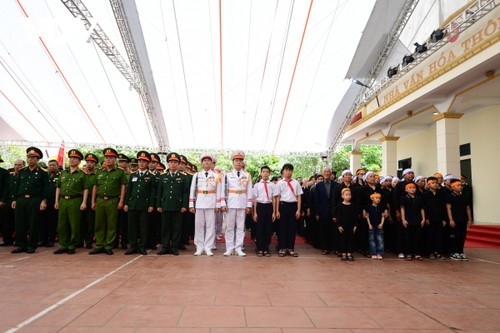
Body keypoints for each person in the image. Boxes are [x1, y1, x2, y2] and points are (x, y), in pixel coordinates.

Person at [90, 147, 127, 255]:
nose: (108, 160)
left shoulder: (119, 172)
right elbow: (95, 187)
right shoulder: (99, 172)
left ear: (115, 160)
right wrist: (93, 201)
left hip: (113, 200)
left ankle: (108, 246)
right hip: (100, 200)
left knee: (111, 224)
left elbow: (123, 186)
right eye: (106, 158)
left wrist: (121, 201)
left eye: (111, 158)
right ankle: (99, 245)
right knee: (99, 224)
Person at [11, 147, 48, 254]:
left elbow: (45, 188)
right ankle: (21, 244)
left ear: (38, 159)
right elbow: (16, 186)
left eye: (33, 157)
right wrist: (14, 199)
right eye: (29, 157)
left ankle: (32, 245)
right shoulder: (22, 171)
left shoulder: (42, 173)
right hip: (21, 199)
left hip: (35, 200)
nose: (30, 159)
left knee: (33, 223)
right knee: (20, 223)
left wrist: (43, 201)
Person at [53, 149, 88, 255]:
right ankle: (63, 245)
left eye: (75, 159)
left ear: (79, 161)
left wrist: (84, 202)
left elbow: (86, 189)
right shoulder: (63, 173)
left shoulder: (82, 174)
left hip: (75, 200)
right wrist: (56, 201)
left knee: (74, 223)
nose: (72, 160)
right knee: (62, 224)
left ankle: (72, 245)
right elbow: (58, 187)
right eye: (71, 158)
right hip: (63, 200)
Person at [156, 152, 189, 256]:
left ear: (178, 164)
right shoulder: (163, 176)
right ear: (168, 164)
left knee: (176, 227)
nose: (173, 164)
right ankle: (165, 246)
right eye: (171, 162)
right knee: (165, 227)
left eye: (175, 162)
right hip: (165, 205)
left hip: (177, 206)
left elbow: (185, 192)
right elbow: (159, 192)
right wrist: (159, 205)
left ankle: (174, 246)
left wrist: (184, 205)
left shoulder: (183, 177)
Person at [221, 150, 253, 257]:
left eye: (240, 160)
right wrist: (223, 203)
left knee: (240, 227)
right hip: (230, 202)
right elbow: (223, 190)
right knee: (230, 227)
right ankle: (229, 248)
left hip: (242, 202)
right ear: (233, 162)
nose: (238, 162)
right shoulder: (227, 175)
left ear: (243, 162)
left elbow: (249, 191)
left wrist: (249, 205)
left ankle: (239, 247)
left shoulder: (247, 175)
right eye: (236, 160)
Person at [189, 153, 221, 256]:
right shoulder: (197, 175)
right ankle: (199, 247)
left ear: (212, 163)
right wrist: (191, 204)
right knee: (199, 225)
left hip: (211, 203)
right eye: (204, 160)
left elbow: (219, 191)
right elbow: (192, 190)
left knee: (210, 226)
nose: (206, 162)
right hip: (199, 202)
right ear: (201, 163)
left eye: (208, 160)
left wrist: (218, 205)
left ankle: (208, 247)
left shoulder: (216, 176)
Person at [124, 151, 156, 256]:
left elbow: (152, 192)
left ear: (148, 163)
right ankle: (133, 246)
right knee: (131, 227)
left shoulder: (151, 176)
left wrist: (151, 205)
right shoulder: (133, 175)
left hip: (144, 205)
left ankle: (142, 246)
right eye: (140, 161)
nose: (141, 163)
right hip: (133, 204)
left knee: (143, 227)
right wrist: (126, 203)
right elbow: (129, 191)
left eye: (144, 162)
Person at [276, 163, 303, 257]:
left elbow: (299, 196)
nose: (288, 172)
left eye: (290, 170)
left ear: (292, 171)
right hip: (283, 206)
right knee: (282, 228)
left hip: (293, 206)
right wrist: (277, 210)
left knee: (292, 228)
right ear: (283, 171)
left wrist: (298, 210)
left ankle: (291, 248)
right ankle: (282, 248)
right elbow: (278, 197)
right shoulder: (279, 183)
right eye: (286, 170)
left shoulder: (296, 183)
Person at [252, 165, 277, 257]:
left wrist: (274, 212)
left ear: (269, 173)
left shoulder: (273, 185)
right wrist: (254, 212)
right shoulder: (257, 185)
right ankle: (259, 247)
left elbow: (274, 199)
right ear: (261, 173)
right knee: (260, 228)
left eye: (267, 172)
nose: (265, 173)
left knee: (268, 228)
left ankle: (266, 248)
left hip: (269, 206)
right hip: (260, 207)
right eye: (264, 172)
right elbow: (255, 199)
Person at [447, 179, 473, 261]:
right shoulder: (450, 196)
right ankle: (454, 252)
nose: (460, 187)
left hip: (463, 219)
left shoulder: (463, 197)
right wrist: (451, 219)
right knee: (455, 236)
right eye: (458, 185)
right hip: (455, 219)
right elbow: (448, 208)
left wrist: (469, 219)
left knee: (462, 236)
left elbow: (468, 208)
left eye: (461, 185)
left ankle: (461, 251)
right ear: (453, 187)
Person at [400, 183, 425, 260]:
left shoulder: (419, 198)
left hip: (418, 220)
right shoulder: (403, 198)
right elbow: (402, 209)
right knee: (408, 237)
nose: (412, 189)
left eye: (414, 187)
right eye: (410, 188)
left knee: (417, 237)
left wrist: (423, 219)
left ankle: (417, 253)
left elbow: (422, 209)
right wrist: (403, 219)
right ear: (406, 189)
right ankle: (408, 253)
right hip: (408, 220)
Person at [423, 176, 446, 259]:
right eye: (433, 183)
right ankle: (430, 252)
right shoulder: (425, 195)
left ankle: (438, 251)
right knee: (430, 235)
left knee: (439, 235)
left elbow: (443, 207)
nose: (435, 184)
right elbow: (424, 207)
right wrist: (426, 218)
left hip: (439, 218)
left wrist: (443, 218)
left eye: (436, 183)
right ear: (428, 185)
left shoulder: (441, 194)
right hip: (430, 218)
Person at [314, 167, 335, 255]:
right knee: (323, 231)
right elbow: (316, 200)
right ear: (323, 173)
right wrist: (317, 213)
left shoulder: (336, 184)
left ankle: (332, 247)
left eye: (328, 171)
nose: (326, 173)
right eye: (325, 172)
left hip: (332, 211)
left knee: (332, 230)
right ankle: (324, 248)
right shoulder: (318, 185)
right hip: (322, 211)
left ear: (330, 173)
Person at [40, 159, 60, 247]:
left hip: (54, 201)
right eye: (50, 165)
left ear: (57, 166)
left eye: (53, 165)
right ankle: (43, 239)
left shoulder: (60, 176)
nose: (51, 167)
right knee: (43, 221)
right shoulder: (44, 175)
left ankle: (51, 239)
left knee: (52, 221)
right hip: (44, 201)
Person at [81, 153, 98, 249]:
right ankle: (79, 240)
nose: (89, 164)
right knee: (80, 221)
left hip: (92, 199)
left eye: (91, 162)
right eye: (87, 162)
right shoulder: (81, 174)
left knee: (90, 221)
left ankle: (88, 241)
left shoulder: (97, 175)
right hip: (80, 199)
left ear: (95, 164)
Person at [336, 188, 357, 261]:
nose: (348, 196)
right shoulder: (340, 205)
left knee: (350, 239)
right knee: (343, 239)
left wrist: (355, 225)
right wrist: (339, 225)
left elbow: (355, 217)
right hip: (343, 225)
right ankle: (343, 253)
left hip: (351, 225)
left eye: (349, 195)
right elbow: (338, 216)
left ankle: (349, 252)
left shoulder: (353, 206)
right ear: (342, 196)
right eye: (346, 195)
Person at [364, 193, 385, 259]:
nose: (378, 199)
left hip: (379, 226)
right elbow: (367, 217)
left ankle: (380, 253)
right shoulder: (369, 207)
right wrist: (369, 224)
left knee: (380, 240)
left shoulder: (381, 207)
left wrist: (381, 224)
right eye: (376, 198)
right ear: (372, 199)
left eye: (379, 198)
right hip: (372, 226)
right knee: (372, 240)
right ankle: (373, 253)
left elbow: (383, 216)